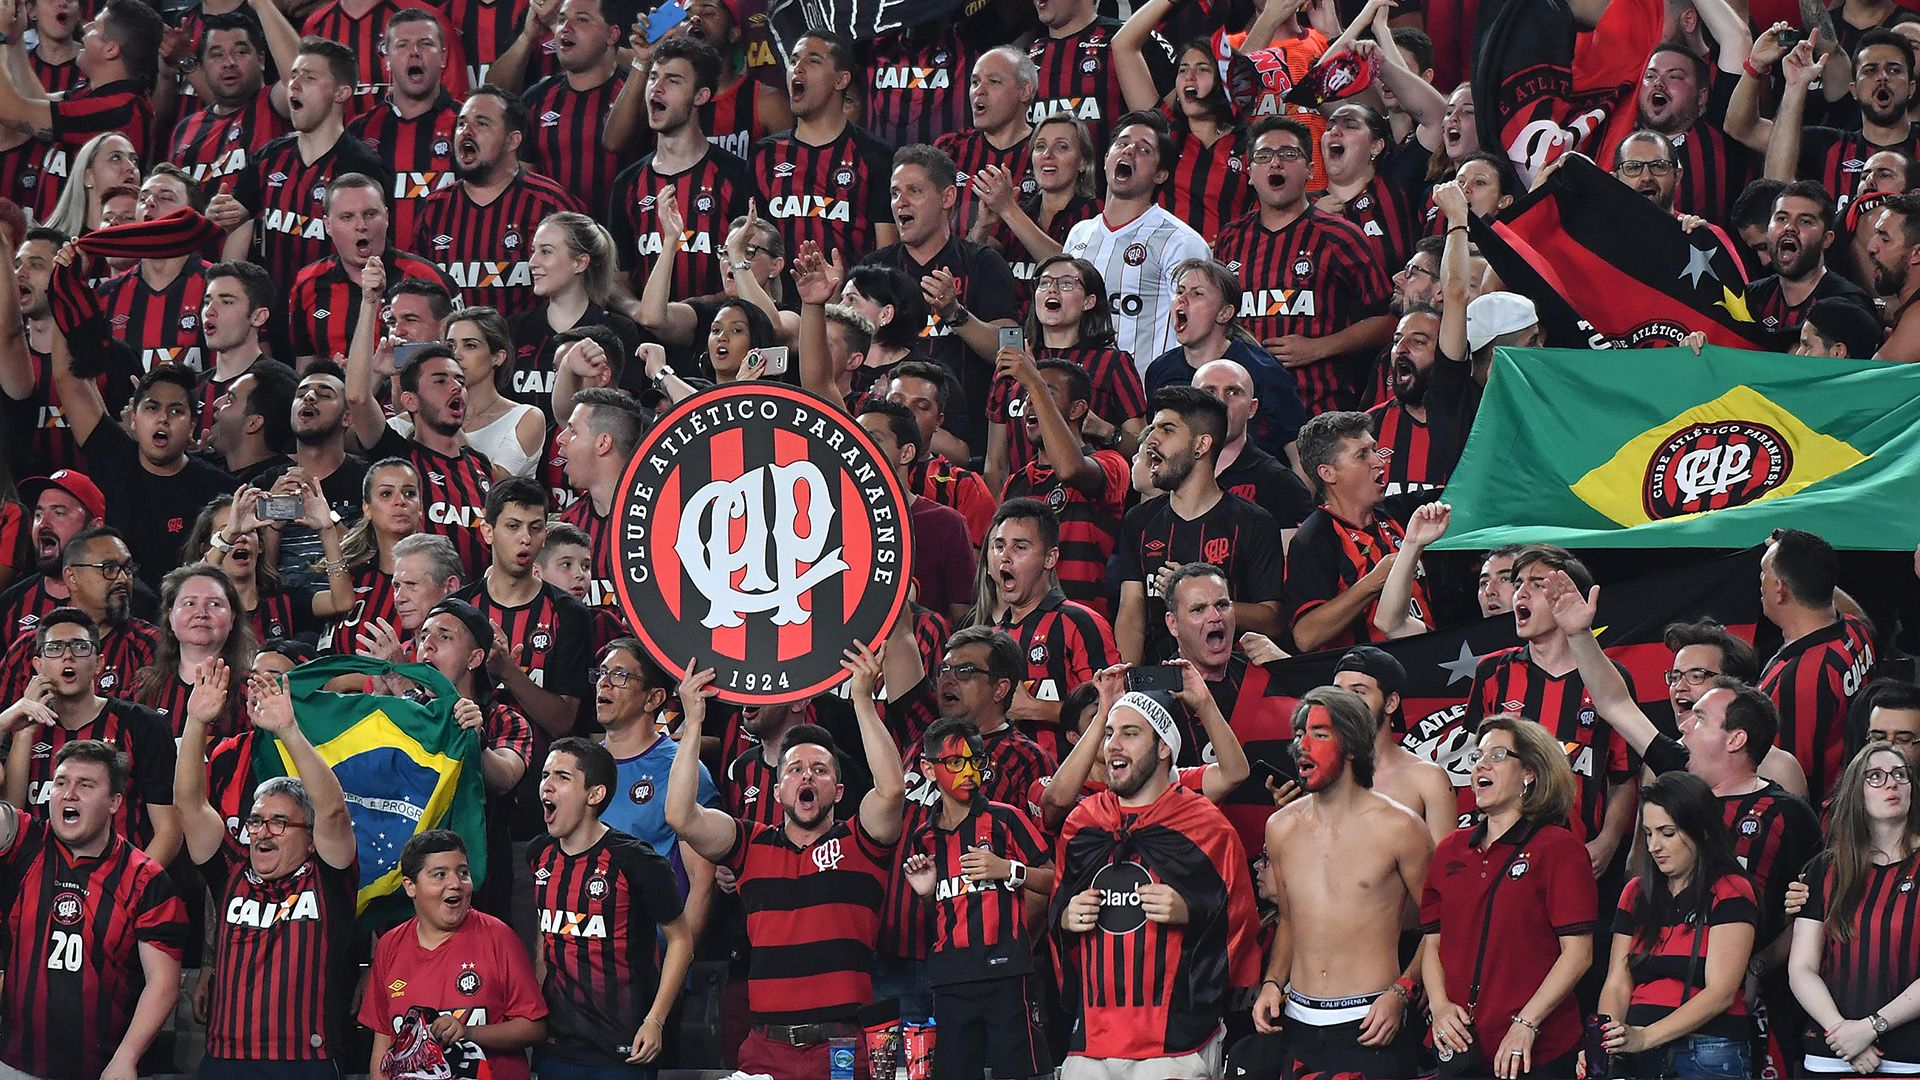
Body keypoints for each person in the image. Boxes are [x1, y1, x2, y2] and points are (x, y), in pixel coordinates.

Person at [666, 645, 907, 1078]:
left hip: (844, 1050)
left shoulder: (861, 843)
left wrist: (863, 701)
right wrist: (695, 720)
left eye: (820, 769)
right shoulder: (751, 844)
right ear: (777, 793)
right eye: (795, 770)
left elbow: (890, 791)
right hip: (765, 1052)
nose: (808, 776)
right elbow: (681, 815)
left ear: (838, 790)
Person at [1051, 686, 1259, 1078]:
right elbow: (1059, 904)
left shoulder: (1204, 826)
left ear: (1164, 747)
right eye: (1110, 733)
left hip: (1177, 1041)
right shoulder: (1083, 824)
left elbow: (1241, 922)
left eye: (1130, 733)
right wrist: (1063, 918)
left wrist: (1192, 912)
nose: (1113, 745)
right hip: (1092, 1041)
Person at [175, 660, 360, 1074]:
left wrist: (289, 731)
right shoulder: (230, 873)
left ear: (310, 839)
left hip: (304, 1062)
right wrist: (195, 722)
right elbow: (189, 805)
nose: (262, 832)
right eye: (257, 820)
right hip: (225, 1060)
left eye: (280, 822)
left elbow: (331, 811)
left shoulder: (327, 879)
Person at [1252, 686, 1433, 1079]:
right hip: (1297, 1022)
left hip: (1371, 1023)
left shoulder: (1401, 828)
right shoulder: (1280, 828)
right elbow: (1288, 920)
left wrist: (1402, 991)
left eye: (1319, 734)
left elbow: (1445, 925)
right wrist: (1271, 982)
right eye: (1299, 734)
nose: (1303, 746)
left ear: (1351, 745)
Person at [1421, 716, 1597, 1080]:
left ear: (1529, 772)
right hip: (1461, 1049)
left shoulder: (1559, 848)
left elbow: (1578, 953)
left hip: (1536, 1052)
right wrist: (1439, 1006)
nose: (1481, 764)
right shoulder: (1450, 849)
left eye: (1498, 755)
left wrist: (1526, 1023)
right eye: (1477, 756)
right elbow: (1433, 943)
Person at [0, 736, 186, 1080]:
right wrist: (8, 722)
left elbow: (163, 983)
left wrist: (127, 1058)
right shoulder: (24, 841)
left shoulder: (147, 881)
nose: (69, 794)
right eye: (60, 782)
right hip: (14, 1063)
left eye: (85, 785)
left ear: (115, 802)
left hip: (101, 1068)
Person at [531, 736, 696, 1077]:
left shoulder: (635, 860)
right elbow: (544, 935)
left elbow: (681, 940)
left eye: (562, 777)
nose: (547, 786)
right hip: (557, 1046)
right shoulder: (540, 854)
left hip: (623, 1048)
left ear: (595, 794)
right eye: (546, 775)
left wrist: (656, 1020)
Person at [901, 716, 1056, 1080]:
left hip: (1007, 972)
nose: (969, 772)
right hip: (949, 977)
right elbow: (940, 909)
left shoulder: (1006, 819)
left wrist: (1009, 870)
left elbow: (1054, 881)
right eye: (955, 762)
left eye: (977, 761)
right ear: (927, 768)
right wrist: (926, 895)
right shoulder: (923, 837)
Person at [1212, 116, 1393, 416]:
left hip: (1318, 410)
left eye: (1289, 154)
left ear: (1310, 171)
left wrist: (1320, 347)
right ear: (1250, 173)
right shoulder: (1230, 238)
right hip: (1242, 414)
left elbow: (1387, 321)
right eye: (1263, 156)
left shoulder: (1341, 237)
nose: (1275, 164)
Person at [862, 144, 1023, 454]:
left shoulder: (982, 263)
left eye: (914, 191)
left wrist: (955, 313)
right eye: (895, 193)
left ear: (948, 197)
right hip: (886, 446)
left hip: (966, 446)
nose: (901, 202)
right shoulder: (876, 271)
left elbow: (1011, 349)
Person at [1597, 771, 1759, 1078]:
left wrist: (1644, 1037)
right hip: (1637, 1051)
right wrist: (1607, 1044)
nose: (1655, 845)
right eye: (1648, 833)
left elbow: (1720, 992)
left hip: (1707, 1049)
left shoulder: (1730, 889)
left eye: (1667, 833)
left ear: (1701, 831)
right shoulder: (1635, 892)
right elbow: (1617, 982)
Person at [347, 260, 498, 577]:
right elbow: (358, 397)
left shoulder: (483, 467)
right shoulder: (397, 457)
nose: (455, 386)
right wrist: (369, 302)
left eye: (458, 379)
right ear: (410, 401)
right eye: (440, 381)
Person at [207, 36, 389, 293]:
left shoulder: (362, 167)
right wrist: (220, 213)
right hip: (273, 315)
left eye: (309, 77)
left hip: (334, 313)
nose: (294, 84)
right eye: (293, 76)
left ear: (341, 93)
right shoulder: (268, 157)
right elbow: (236, 220)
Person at [1116, 386, 1284, 664]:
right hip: (1160, 681)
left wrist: (1194, 592)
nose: (1152, 440)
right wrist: (1125, 681)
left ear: (1201, 445)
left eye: (1167, 430)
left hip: (1234, 681)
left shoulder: (1253, 522)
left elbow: (1273, 619)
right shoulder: (1139, 521)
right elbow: (1131, 612)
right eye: (1154, 428)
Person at [361, 830, 547, 1080]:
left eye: (463, 873)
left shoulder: (499, 937)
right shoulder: (390, 946)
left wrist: (469, 1032)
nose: (455, 884)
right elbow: (384, 1041)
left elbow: (534, 1028)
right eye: (440, 875)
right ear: (410, 886)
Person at [2, 606, 179, 860]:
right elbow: (11, 819)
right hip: (37, 883)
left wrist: (133, 889)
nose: (68, 657)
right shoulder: (20, 728)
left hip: (118, 884)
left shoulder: (142, 724)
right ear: (38, 666)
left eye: (80, 647)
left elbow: (168, 831)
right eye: (55, 648)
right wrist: (24, 733)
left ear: (99, 664)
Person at [1789, 742, 1920, 1075]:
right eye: (1875, 776)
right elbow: (1802, 967)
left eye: (1899, 775)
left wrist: (1870, 1027)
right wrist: (1841, 1032)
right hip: (1831, 1052)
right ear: (1855, 792)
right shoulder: (1824, 869)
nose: (1891, 783)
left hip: (1908, 1055)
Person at [53, 359, 237, 592]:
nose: (163, 418)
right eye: (152, 407)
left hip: (187, 611)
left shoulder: (217, 490)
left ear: (192, 426)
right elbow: (67, 379)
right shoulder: (112, 456)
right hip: (119, 610)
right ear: (133, 418)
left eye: (176, 411)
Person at [413, 86, 587, 317]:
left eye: (482, 123)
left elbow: (585, 289)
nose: (466, 132)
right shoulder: (434, 208)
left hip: (534, 349)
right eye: (462, 123)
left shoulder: (551, 205)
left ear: (512, 141)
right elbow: (418, 290)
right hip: (454, 349)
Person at [605, 35, 749, 303]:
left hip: (719, 332)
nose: (656, 88)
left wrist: (696, 311)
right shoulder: (627, 183)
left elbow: (754, 272)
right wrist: (639, 312)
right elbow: (616, 280)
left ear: (700, 96)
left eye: (672, 80)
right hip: (646, 338)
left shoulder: (735, 176)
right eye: (653, 77)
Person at [1062, 112, 1209, 372]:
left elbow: (1199, 332)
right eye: (1122, 143)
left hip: (1148, 399)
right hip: (1082, 392)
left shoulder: (1180, 241)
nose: (1129, 151)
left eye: (1144, 149)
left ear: (1161, 174)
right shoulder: (1079, 235)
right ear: (1106, 159)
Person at [974, 497, 1118, 760]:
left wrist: (1033, 708)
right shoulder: (989, 639)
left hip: (1075, 787)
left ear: (1050, 558)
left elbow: (1115, 711)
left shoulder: (1080, 622)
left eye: (1020, 547)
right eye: (998, 546)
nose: (1005, 557)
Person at [995, 352, 1133, 620]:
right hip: (1022, 629)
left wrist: (1034, 383)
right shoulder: (1016, 482)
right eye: (1026, 397)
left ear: (1077, 409)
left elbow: (1070, 469)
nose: (1030, 404)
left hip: (1082, 627)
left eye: (1046, 393)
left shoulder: (1111, 463)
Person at [451, 477, 591, 738]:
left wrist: (507, 671)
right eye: (513, 526)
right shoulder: (458, 611)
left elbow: (563, 722)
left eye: (535, 528)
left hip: (544, 770)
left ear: (544, 535)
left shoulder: (570, 614)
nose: (525, 538)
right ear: (488, 531)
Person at [591, 641, 716, 927]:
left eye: (620, 675)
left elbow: (702, 883)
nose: (604, 684)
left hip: (652, 958)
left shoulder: (682, 770)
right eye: (602, 673)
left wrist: (678, 962)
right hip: (582, 955)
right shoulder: (578, 766)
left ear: (654, 698)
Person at [1286, 410, 1429, 653]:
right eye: (1362, 455)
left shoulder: (1400, 516)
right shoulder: (1313, 539)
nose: (1378, 461)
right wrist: (1375, 581)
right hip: (1367, 679)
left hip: (1427, 658)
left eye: (1374, 449)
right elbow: (1306, 635)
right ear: (1328, 473)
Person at [1144, 259, 1308, 466]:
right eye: (1180, 291)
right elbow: (1154, 451)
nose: (1182, 300)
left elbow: (1298, 453)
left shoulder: (1262, 370)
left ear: (1224, 313)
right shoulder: (1160, 370)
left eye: (1197, 293)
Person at [752, 31, 896, 262]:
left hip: (848, 297)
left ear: (841, 80)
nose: (798, 68)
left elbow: (886, 256)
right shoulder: (764, 154)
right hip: (774, 298)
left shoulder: (875, 155)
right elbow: (749, 241)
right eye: (793, 60)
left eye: (813, 61)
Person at [287, 172, 457, 366]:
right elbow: (305, 366)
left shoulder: (429, 278)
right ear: (327, 225)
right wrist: (330, 376)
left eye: (370, 214)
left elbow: (453, 355)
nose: (361, 225)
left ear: (386, 217)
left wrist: (374, 372)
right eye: (347, 217)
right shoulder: (308, 283)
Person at [1760, 528, 1879, 805]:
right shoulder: (1856, 632)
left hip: (1822, 825)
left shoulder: (1794, 682)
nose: (1760, 583)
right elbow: (1859, 616)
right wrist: (1812, 573)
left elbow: (1788, 784)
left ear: (1780, 589)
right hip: (1856, 798)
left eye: (1763, 575)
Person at [344, 8, 461, 252]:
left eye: (425, 44)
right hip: (379, 274)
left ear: (443, 56)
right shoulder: (359, 131)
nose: (414, 52)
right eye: (403, 45)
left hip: (449, 271)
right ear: (386, 59)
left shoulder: (467, 126)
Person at [0, 529, 159, 701]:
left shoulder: (150, 645)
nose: (122, 578)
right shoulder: (26, 649)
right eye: (109, 568)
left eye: (127, 568)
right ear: (71, 577)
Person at [857, 400, 975, 623]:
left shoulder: (947, 524)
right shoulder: (834, 520)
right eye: (855, 440)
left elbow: (963, 620)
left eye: (873, 440)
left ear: (906, 453)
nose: (859, 449)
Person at [517, 0, 633, 218]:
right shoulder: (535, 99)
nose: (565, 28)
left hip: (627, 240)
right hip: (560, 243)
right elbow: (526, 187)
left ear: (612, 34)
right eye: (561, 20)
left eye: (581, 19)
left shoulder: (637, 93)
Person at [1332, 645, 1459, 840]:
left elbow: (1444, 867)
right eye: (1338, 692)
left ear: (1391, 703)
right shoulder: (1325, 775)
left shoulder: (1428, 780)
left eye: (1358, 692)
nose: (1344, 702)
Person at [99, 167, 213, 375]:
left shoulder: (218, 284)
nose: (149, 203)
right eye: (143, 198)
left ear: (193, 218)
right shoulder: (106, 296)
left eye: (166, 197)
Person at [969, 115, 1101, 288]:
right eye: (1040, 146)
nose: (1048, 155)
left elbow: (1071, 272)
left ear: (1083, 162)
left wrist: (1009, 209)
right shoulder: (1020, 211)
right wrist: (983, 226)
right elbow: (968, 266)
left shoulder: (1095, 214)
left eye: (1061, 147)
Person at [168, 11, 293, 187]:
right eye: (217, 54)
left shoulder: (274, 104)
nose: (229, 62)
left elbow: (300, 78)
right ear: (203, 66)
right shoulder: (185, 128)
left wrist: (262, 4)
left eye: (241, 52)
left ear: (261, 60)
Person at [553, 385, 649, 609]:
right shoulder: (568, 525)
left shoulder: (660, 522)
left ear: (603, 443)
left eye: (573, 431)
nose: (561, 439)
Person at [1747, 182, 1877, 344]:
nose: (1790, 227)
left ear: (1827, 239)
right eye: (1781, 218)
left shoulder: (1850, 304)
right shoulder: (1750, 297)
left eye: (1805, 221)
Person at [886, 360, 998, 547]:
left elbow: (980, 566)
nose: (905, 412)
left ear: (939, 421)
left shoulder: (965, 487)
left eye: (921, 406)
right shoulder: (851, 472)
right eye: (896, 402)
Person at [1193, 357, 1313, 530]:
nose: (1220, 403)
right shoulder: (1172, 471)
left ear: (1252, 408)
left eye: (1233, 392)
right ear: (1189, 404)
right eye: (1209, 391)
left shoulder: (1280, 484)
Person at [322, 458, 423, 655]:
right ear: (366, 508)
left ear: (420, 507)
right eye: (386, 494)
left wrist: (350, 680)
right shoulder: (352, 577)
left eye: (410, 493)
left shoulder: (438, 578)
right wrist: (326, 526)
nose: (400, 501)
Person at [934, 46, 1036, 242]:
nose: (979, 91)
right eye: (975, 82)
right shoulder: (949, 149)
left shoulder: (1045, 154)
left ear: (1024, 91)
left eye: (994, 82)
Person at [0, 470, 106, 639]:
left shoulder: (120, 599)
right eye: (38, 515)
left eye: (59, 513)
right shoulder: (11, 603)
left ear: (94, 527)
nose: (43, 524)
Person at [204, 362, 298, 483]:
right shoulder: (203, 467)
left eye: (229, 400)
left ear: (253, 423)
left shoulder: (280, 486)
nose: (216, 403)